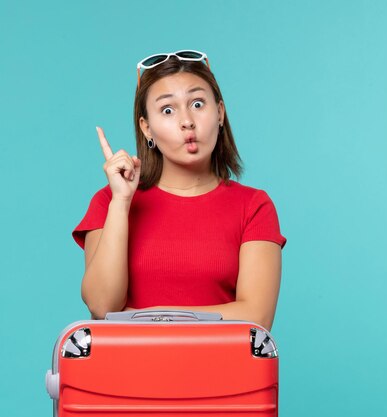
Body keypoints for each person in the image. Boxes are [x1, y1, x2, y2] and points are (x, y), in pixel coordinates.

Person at [73, 50, 286, 330]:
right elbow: (102, 306)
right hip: (126, 371)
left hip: (222, 372)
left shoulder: (254, 206)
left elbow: (256, 317)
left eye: (197, 104)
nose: (187, 121)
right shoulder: (109, 202)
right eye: (168, 110)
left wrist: (153, 315)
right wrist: (121, 202)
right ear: (146, 128)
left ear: (220, 113)